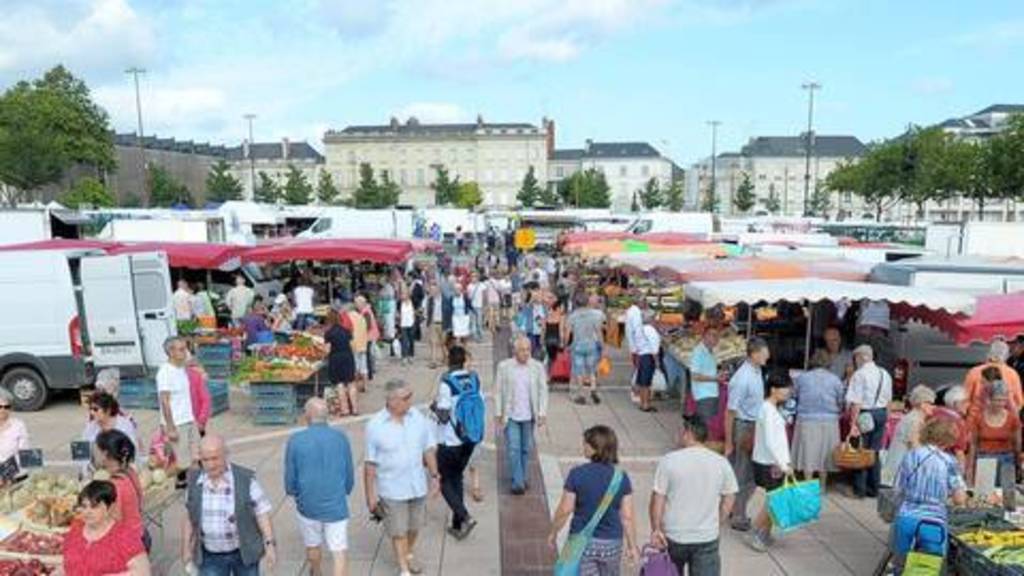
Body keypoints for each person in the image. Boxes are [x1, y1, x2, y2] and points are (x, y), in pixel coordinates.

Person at [364, 380, 440, 576]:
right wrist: (370, 496)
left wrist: (435, 476)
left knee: (414, 526)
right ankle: (404, 568)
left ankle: (407, 553)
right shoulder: (375, 426)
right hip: (392, 488)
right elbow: (370, 464)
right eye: (406, 398)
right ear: (391, 401)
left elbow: (428, 449)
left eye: (410, 396)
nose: (410, 401)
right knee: (398, 530)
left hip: (417, 485)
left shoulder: (418, 418)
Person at [650, 416, 738, 576]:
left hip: (673, 534)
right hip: (706, 536)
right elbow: (729, 497)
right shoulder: (721, 463)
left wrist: (656, 528)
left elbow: (658, 499)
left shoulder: (669, 461)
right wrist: (718, 520)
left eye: (682, 431)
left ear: (688, 433)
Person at [548, 425, 639, 574]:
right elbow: (627, 517)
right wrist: (632, 546)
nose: (583, 446)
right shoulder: (621, 477)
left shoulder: (577, 474)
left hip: (583, 542)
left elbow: (565, 510)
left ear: (595, 448)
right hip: (611, 542)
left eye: (586, 443)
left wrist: (554, 531)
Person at [182, 434, 276, 575]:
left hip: (244, 553)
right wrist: (186, 549)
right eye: (205, 460)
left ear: (225, 455)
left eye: (215, 458)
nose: (210, 465)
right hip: (210, 556)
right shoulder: (195, 482)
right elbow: (190, 517)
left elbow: (261, 512)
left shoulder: (245, 479)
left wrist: (270, 544)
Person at [286, 399, 355, 576]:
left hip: (308, 503)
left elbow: (290, 476)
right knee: (339, 550)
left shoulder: (296, 441)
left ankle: (316, 572)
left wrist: (293, 492)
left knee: (312, 544)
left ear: (307, 416)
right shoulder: (341, 438)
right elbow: (349, 471)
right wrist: (346, 489)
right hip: (336, 502)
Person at [890, 418, 968, 574]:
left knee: (901, 566)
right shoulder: (949, 462)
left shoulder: (911, 456)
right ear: (949, 439)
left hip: (906, 518)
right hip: (932, 522)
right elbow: (959, 499)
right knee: (927, 569)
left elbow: (898, 488)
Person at [433, 346, 483, 540]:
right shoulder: (475, 379)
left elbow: (444, 417)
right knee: (457, 478)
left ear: (448, 360)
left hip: (450, 441)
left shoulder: (447, 383)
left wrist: (434, 407)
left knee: (445, 480)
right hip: (469, 439)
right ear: (464, 361)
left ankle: (465, 516)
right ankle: (457, 523)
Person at [724, 337, 769, 532]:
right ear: (755, 353)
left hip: (752, 425)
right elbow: (730, 411)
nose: (768, 355)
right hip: (744, 427)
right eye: (766, 351)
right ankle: (738, 515)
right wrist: (729, 442)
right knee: (743, 474)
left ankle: (735, 510)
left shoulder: (757, 371)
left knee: (747, 474)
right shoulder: (742, 378)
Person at [495, 335, 549, 495]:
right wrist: (498, 412)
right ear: (514, 351)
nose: (526, 353)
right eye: (522, 350)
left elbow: (543, 391)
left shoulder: (537, 367)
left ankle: (522, 476)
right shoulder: (504, 367)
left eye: (528, 350)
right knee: (513, 448)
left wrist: (542, 413)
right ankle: (518, 482)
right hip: (511, 415)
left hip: (529, 415)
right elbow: (497, 391)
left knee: (526, 448)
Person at [62, 481, 151, 576]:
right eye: (84, 506)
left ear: (110, 507)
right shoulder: (75, 534)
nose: (87, 512)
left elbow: (143, 572)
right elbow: (68, 566)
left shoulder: (125, 536)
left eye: (94, 507)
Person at [748, 374, 794, 552]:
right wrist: (784, 465)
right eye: (785, 388)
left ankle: (764, 533)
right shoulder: (767, 409)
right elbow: (770, 441)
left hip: (772, 462)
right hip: (770, 463)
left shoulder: (771, 408)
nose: (788, 392)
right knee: (774, 500)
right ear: (773, 389)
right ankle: (757, 534)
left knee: (774, 499)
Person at [791, 349, 845, 492]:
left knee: (808, 453)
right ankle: (822, 485)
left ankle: (808, 483)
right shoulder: (835, 379)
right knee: (825, 454)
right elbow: (841, 401)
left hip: (806, 420)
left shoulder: (802, 378)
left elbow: (794, 396)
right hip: (830, 421)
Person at [847, 344, 893, 499]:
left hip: (866, 413)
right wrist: (886, 419)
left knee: (861, 450)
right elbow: (888, 400)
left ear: (860, 357)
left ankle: (860, 489)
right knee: (875, 451)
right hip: (881, 413)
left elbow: (856, 402)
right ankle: (874, 488)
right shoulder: (884, 373)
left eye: (856, 358)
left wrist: (853, 424)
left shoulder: (859, 374)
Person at [93, 430, 146, 549]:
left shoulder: (115, 485)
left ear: (105, 454)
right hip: (139, 535)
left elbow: (114, 519)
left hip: (127, 544)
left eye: (96, 450)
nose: (93, 454)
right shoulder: (130, 472)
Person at [156, 336, 196, 486]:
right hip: (177, 423)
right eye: (181, 349)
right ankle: (159, 477)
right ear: (171, 352)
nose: (185, 352)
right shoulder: (165, 372)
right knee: (183, 463)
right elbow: (164, 401)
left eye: (185, 349)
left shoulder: (181, 368)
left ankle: (195, 487)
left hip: (189, 420)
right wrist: (170, 427)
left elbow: (193, 360)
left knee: (197, 456)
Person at [967, 379, 1021, 486]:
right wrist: (970, 467)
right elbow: (973, 444)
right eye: (997, 400)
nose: (1000, 404)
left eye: (1003, 400)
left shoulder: (1013, 419)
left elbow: (1017, 445)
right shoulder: (979, 418)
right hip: (984, 458)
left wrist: (1018, 464)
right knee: (984, 495)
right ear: (989, 399)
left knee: (1007, 496)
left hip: (1007, 459)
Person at [882, 385, 936, 487]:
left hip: (898, 470)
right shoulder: (914, 420)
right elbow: (916, 447)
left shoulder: (913, 418)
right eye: (931, 403)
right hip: (900, 473)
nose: (934, 406)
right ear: (922, 404)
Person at [964, 341, 1024, 417]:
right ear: (1006, 356)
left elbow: (965, 399)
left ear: (988, 354)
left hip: (977, 417)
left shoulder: (974, 372)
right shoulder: (1012, 374)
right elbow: (1019, 402)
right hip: (1003, 420)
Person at [566, 294, 605, 406]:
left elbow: (568, 333)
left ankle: (582, 394)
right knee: (592, 369)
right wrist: (602, 345)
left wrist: (566, 344)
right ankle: (593, 389)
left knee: (579, 371)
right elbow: (598, 332)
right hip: (591, 344)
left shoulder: (573, 316)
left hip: (577, 345)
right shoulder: (594, 315)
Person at [929, 385, 970, 473]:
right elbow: (959, 451)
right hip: (947, 462)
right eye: (965, 402)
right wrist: (961, 473)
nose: (968, 405)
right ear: (956, 404)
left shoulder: (934, 413)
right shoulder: (958, 422)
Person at [324, 309, 358, 417]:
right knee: (351, 383)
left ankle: (345, 410)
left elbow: (327, 350)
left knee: (340, 384)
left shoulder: (329, 333)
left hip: (336, 358)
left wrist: (324, 354)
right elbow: (353, 346)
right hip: (348, 357)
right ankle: (355, 409)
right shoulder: (346, 331)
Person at [688, 327, 722, 426]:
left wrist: (718, 375)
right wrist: (715, 378)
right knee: (704, 426)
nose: (715, 339)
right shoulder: (699, 352)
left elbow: (707, 371)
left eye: (717, 336)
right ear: (704, 336)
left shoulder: (710, 351)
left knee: (709, 425)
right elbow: (694, 376)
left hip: (711, 393)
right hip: (704, 395)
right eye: (712, 335)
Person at [634, 312, 662, 413]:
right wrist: (657, 362)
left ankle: (642, 403)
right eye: (655, 318)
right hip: (648, 358)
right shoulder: (651, 331)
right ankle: (646, 404)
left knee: (642, 382)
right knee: (646, 383)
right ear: (651, 319)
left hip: (642, 356)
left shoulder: (640, 329)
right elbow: (654, 349)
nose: (656, 321)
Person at [187, 362, 213, 437]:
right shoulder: (194, 376)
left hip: (195, 419)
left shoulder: (195, 376)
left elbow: (206, 400)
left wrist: (201, 420)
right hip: (192, 419)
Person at [543, 296, 566, 367]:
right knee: (558, 359)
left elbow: (543, 329)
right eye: (562, 307)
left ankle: (549, 374)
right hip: (557, 340)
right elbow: (561, 330)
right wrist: (562, 342)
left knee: (550, 358)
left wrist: (542, 340)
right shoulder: (561, 317)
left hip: (548, 340)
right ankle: (556, 373)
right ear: (558, 308)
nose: (563, 308)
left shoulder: (547, 317)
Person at [399, 288, 417, 366]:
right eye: (402, 294)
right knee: (404, 341)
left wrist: (414, 320)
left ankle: (411, 355)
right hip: (403, 324)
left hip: (411, 323)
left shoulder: (412, 302)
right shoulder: (400, 303)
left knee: (411, 340)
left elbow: (414, 312)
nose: (403, 296)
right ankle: (404, 356)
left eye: (404, 294)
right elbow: (398, 313)